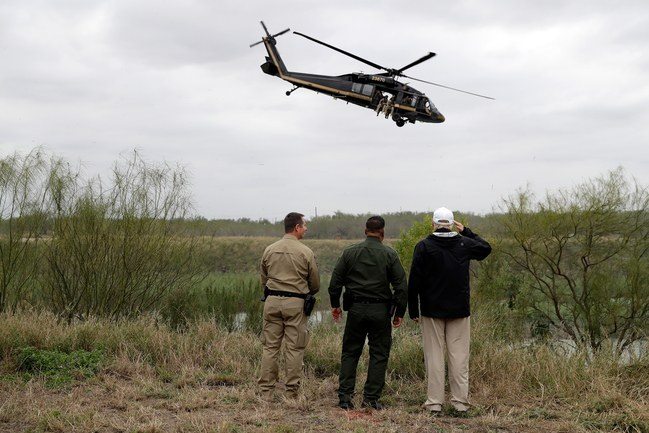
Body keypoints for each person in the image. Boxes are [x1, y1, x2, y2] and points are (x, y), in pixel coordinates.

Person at [407, 207, 491, 414]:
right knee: (459, 356)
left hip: (431, 308)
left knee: (434, 356)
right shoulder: (464, 243)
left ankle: (434, 402)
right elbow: (486, 248)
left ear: (433, 224)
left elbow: (414, 281)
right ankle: (460, 402)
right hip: (459, 309)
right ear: (453, 224)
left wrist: (412, 309)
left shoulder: (424, 246)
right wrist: (467, 232)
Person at [329, 216, 407, 410]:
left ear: (365, 231)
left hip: (355, 310)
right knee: (379, 353)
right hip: (381, 311)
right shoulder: (390, 254)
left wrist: (335, 305)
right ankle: (371, 399)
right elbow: (401, 287)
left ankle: (345, 398)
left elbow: (334, 283)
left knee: (350, 352)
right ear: (382, 232)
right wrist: (399, 312)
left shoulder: (349, 253)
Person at [259, 212, 320, 400]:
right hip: (296, 304)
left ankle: (266, 392)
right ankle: (291, 393)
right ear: (297, 228)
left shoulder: (269, 249)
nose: (306, 228)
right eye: (305, 225)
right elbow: (315, 284)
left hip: (271, 302)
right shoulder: (306, 252)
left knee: (270, 347)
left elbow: (263, 278)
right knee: (295, 348)